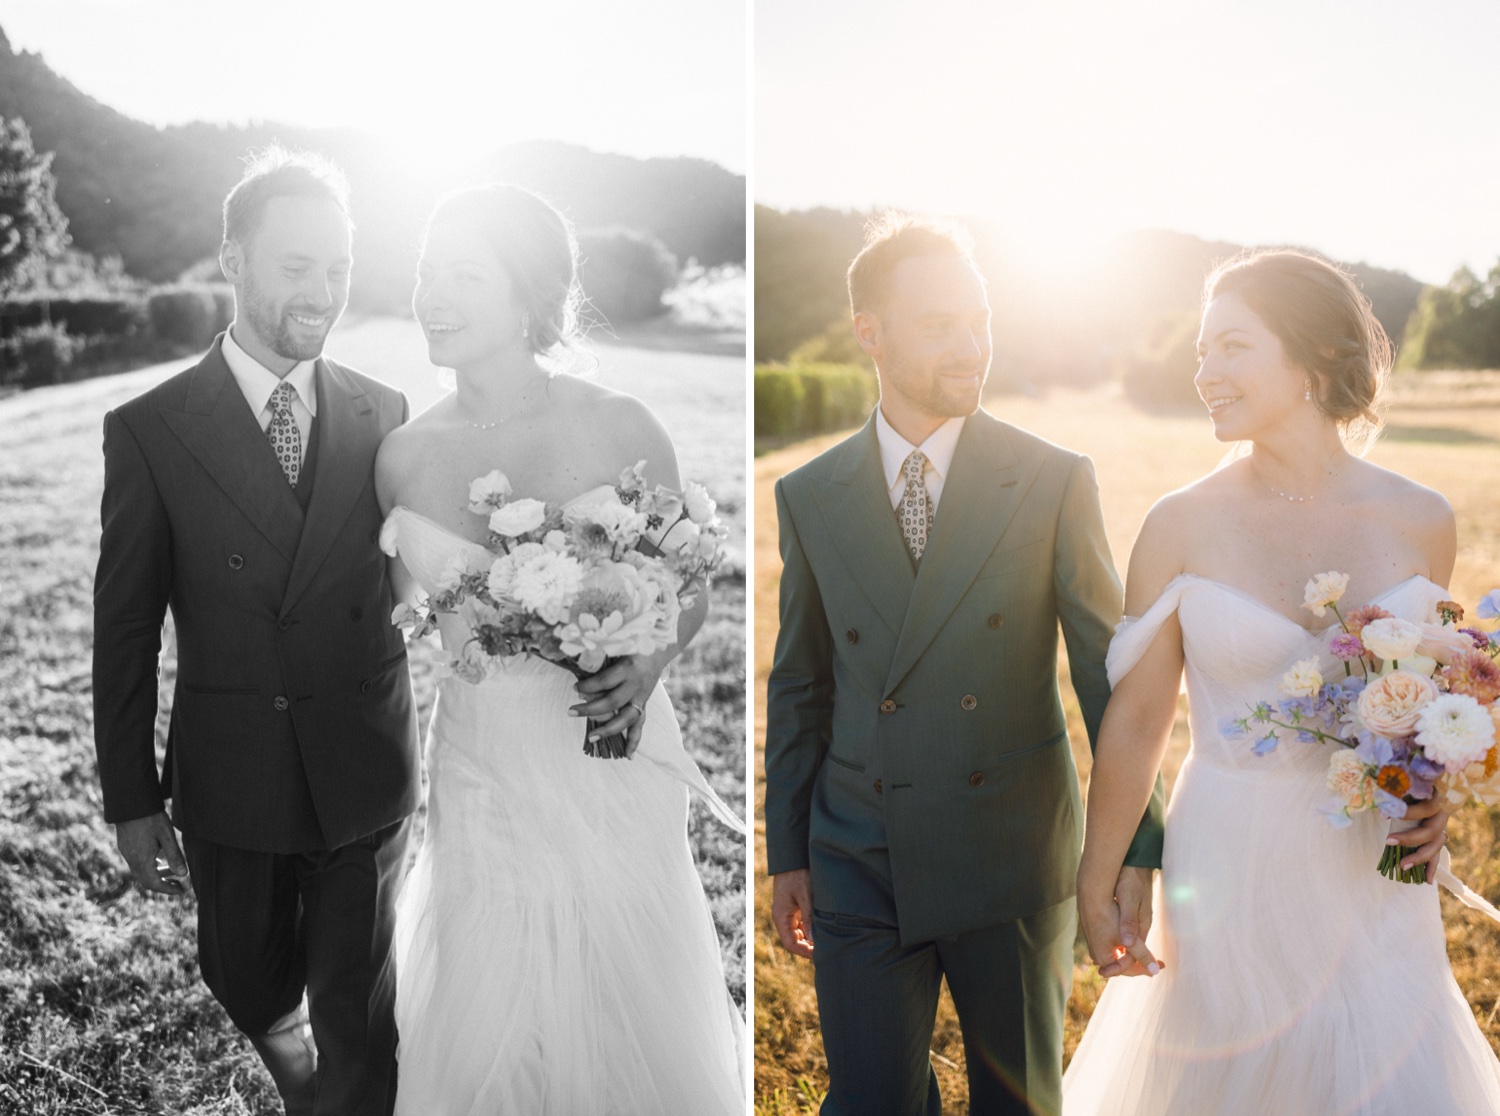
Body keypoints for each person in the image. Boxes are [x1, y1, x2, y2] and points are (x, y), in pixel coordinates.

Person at [1064, 249, 1500, 1114]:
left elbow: (1440, 693)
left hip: (1368, 865)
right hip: (1229, 854)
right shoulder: (1180, 523)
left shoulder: (1422, 519)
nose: (1203, 374)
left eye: (1230, 347)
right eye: (1199, 352)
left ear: (1310, 360)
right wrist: (1099, 873)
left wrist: (1432, 792)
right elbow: (1140, 718)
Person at [763, 213, 1165, 1116]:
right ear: (870, 330)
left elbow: (1109, 672)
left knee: (1016, 1102)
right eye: (940, 322)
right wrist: (786, 846)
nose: (971, 344)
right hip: (857, 848)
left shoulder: (1053, 478)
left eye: (979, 320)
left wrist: (1139, 843)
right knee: (869, 1101)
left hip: (1010, 852)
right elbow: (800, 681)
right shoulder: (809, 492)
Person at [374, 183, 744, 1115]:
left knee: (622, 981)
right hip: (481, 766)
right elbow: (380, 619)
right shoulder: (403, 457)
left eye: (464, 273)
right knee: (490, 989)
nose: (434, 295)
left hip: (607, 754)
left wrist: (650, 659)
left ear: (530, 293)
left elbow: (689, 582)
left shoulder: (619, 424)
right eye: (427, 272)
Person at [92, 147, 419, 1116]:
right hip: (234, 773)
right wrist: (130, 791)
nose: (322, 292)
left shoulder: (384, 415)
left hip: (363, 764)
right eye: (296, 265)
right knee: (245, 980)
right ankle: (292, 1066)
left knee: (361, 1017)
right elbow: (125, 625)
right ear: (232, 259)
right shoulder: (149, 428)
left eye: (338, 267)